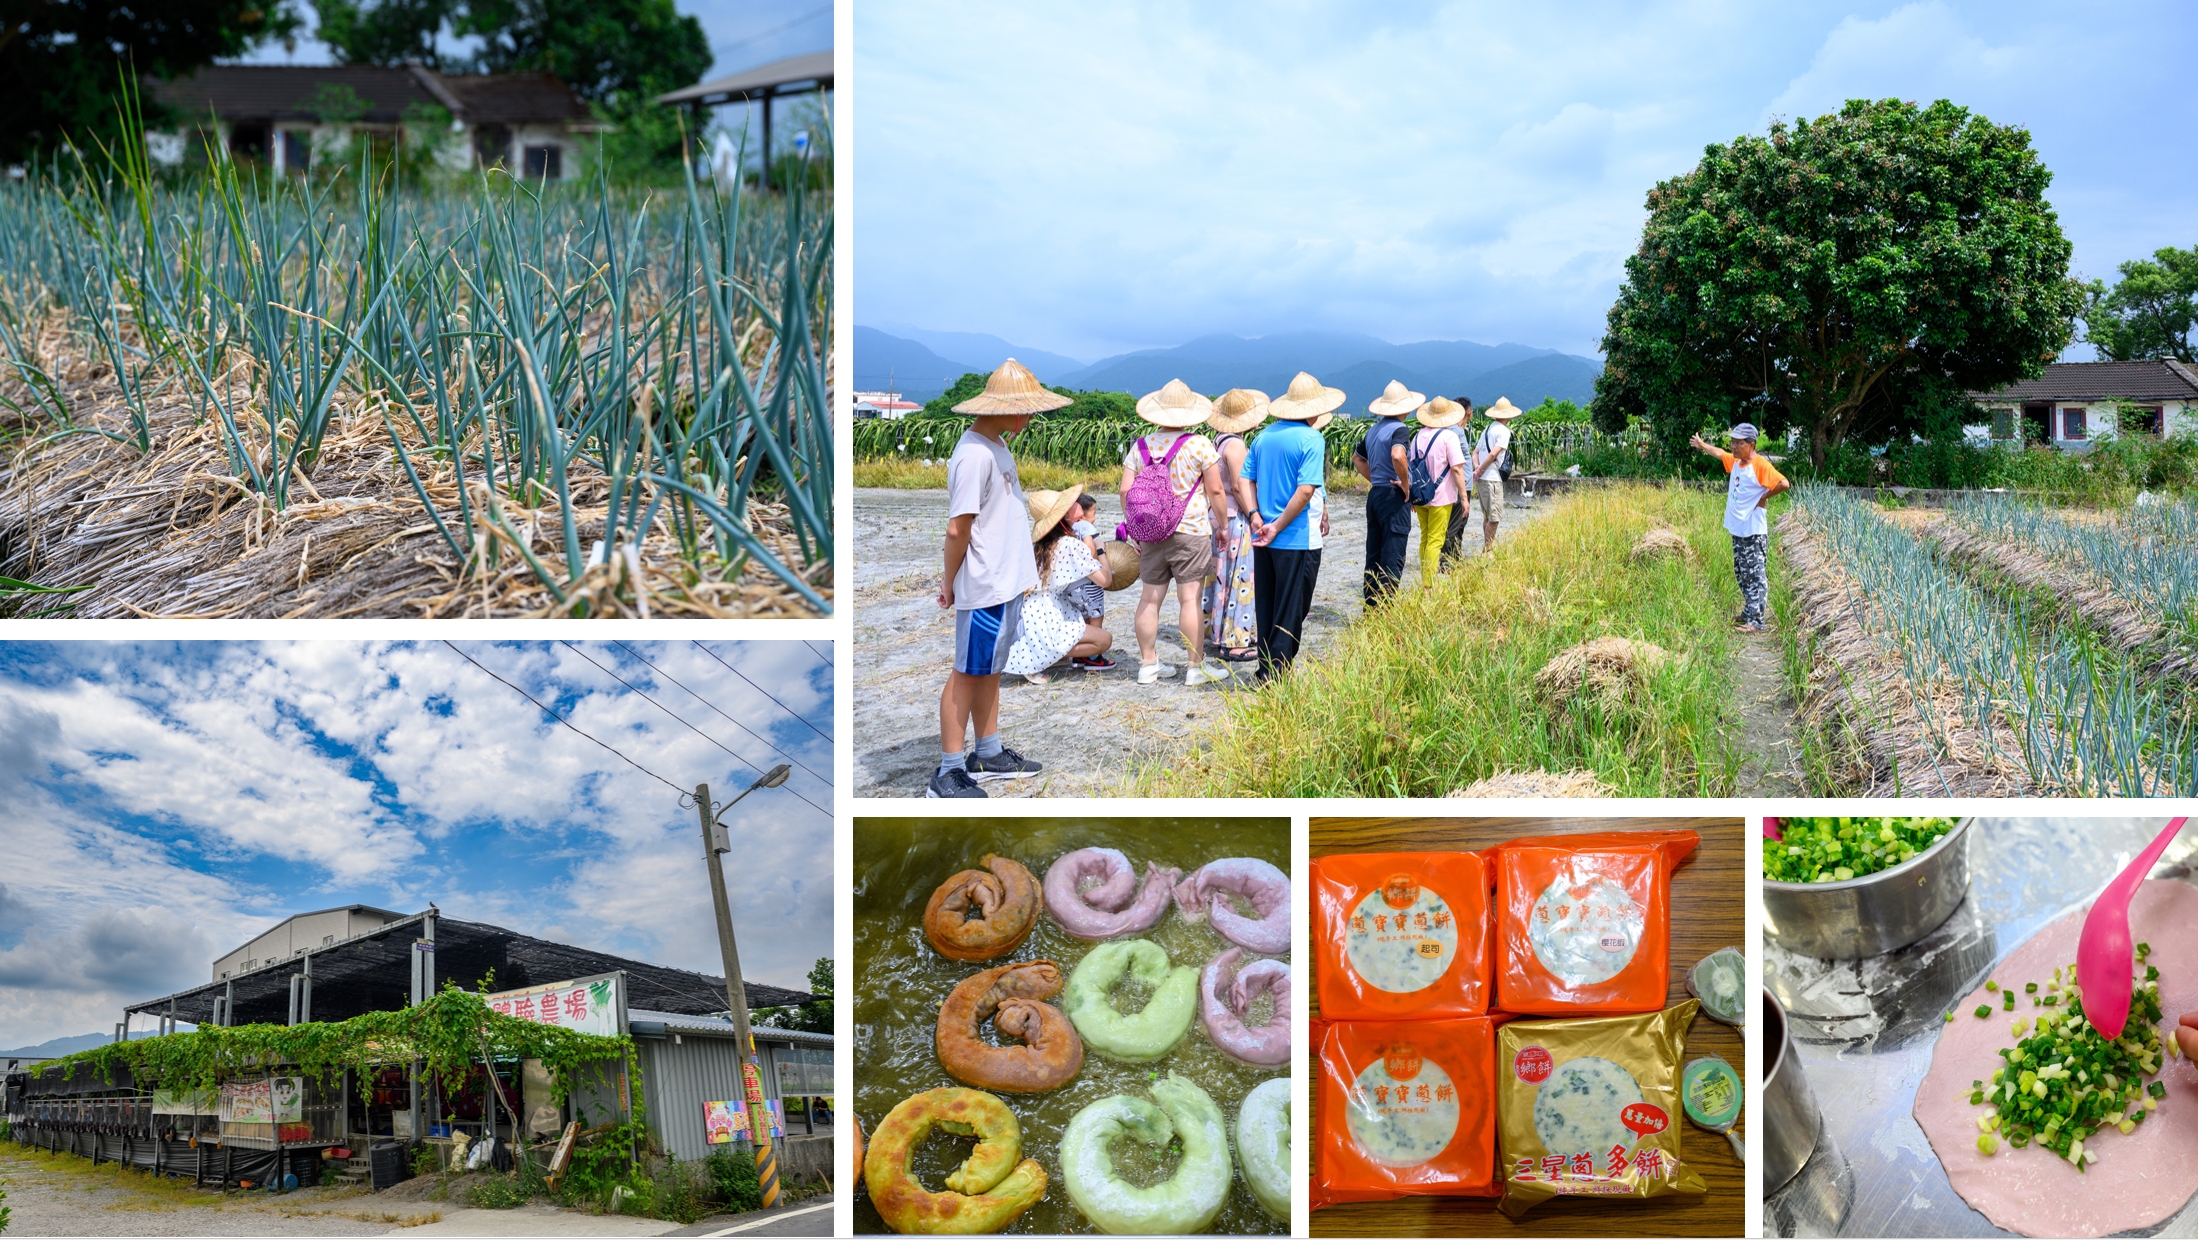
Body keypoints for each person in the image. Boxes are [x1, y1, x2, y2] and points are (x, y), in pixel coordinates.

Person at [931, 359, 1064, 799]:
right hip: (985, 583)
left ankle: (987, 752)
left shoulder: (996, 445)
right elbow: (958, 529)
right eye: (1026, 408)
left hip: (1004, 582)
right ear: (1003, 408)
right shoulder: (973, 455)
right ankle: (948, 771)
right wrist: (949, 582)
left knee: (989, 669)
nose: (1031, 416)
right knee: (966, 673)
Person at [1120, 379, 1231, 687]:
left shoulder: (1141, 446)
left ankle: (1148, 665)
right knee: (1189, 599)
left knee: (1149, 599)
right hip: (1190, 530)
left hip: (1151, 533)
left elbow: (1125, 490)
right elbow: (1216, 490)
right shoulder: (1199, 444)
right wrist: (1222, 526)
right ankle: (1195, 668)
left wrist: (1134, 530)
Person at [1238, 371, 1339, 681]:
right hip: (1296, 538)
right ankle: (1276, 674)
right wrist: (1279, 525)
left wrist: (1255, 516)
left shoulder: (1263, 437)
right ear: (1314, 410)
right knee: (1293, 608)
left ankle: (1265, 668)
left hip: (1263, 537)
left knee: (1267, 605)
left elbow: (1245, 480)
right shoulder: (1312, 439)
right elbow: (1305, 490)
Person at [1004, 486, 1115, 684]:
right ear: (1064, 516)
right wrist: (1101, 550)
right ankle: (1040, 656)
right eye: (1071, 504)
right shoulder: (1070, 545)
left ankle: (1041, 652)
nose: (1076, 505)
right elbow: (1105, 581)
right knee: (1104, 640)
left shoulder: (1037, 545)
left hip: (1028, 613)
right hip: (1048, 615)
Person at [1690, 422, 1790, 633]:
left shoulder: (1760, 465)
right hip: (1739, 529)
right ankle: (1748, 612)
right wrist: (1702, 445)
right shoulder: (1737, 462)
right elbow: (1720, 453)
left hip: (1753, 532)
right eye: (1732, 442)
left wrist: (1763, 497)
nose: (1733, 446)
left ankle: (1756, 621)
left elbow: (1783, 483)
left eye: (1738, 443)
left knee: (1755, 575)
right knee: (1742, 573)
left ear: (1751, 445)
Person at [1202, 388, 1268, 662]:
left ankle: (1217, 632)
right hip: (1234, 518)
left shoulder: (1217, 441)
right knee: (1241, 578)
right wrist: (1253, 514)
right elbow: (1240, 486)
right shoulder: (1236, 445)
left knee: (1220, 576)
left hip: (1217, 515)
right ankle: (1234, 639)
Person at [1352, 379, 1422, 606]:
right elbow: (1397, 455)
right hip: (1393, 497)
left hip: (1375, 495)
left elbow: (1357, 459)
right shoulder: (1400, 429)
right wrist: (1405, 484)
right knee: (1392, 555)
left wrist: (1376, 479)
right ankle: (1386, 610)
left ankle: (1371, 607)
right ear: (1405, 407)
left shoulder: (1373, 430)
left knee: (1374, 555)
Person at [1405, 396, 1469, 585]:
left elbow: (1410, 467)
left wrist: (1412, 496)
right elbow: (1457, 469)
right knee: (1435, 540)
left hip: (1421, 496)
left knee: (1425, 538)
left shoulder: (1417, 437)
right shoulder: (1449, 437)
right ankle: (1428, 585)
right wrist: (1464, 498)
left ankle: (1425, 579)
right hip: (1441, 497)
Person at [1066, 493, 1116, 670]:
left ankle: (1081, 655)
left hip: (1072, 586)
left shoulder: (1069, 528)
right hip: (1089, 584)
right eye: (1093, 512)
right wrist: (1098, 555)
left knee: (1083, 618)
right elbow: (1089, 548)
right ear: (1082, 513)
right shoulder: (1085, 525)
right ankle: (1094, 657)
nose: (1095, 517)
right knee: (1096, 616)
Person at [1468, 396, 1523, 555]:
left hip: (1482, 480)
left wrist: (1477, 468)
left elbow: (1475, 452)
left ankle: (1487, 548)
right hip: (1492, 479)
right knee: (1494, 517)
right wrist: (1480, 469)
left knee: (1487, 516)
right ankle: (1488, 550)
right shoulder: (1504, 431)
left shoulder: (1487, 429)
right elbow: (1493, 454)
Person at [1438, 396, 1477, 570]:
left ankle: (1456, 558)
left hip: (1458, 483)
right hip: (1460, 484)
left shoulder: (1449, 430)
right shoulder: (1456, 432)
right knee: (1455, 523)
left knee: (1458, 523)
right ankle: (1447, 562)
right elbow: (1456, 464)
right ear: (1468, 413)